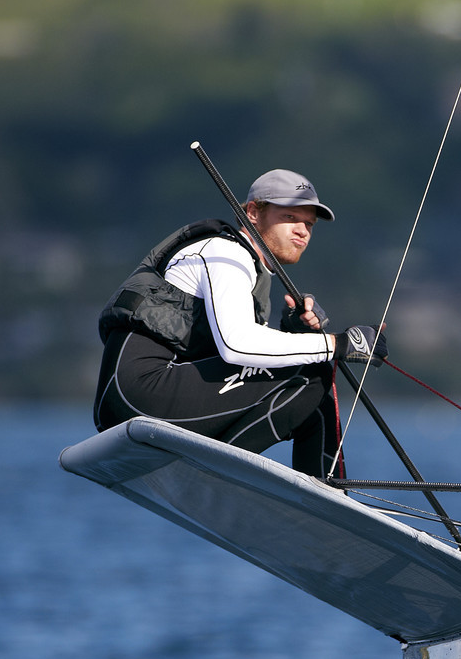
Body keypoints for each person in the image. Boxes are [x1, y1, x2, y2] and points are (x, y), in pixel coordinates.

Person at [92, 168, 385, 478]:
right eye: (290, 218)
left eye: (309, 224)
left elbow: (232, 355)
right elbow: (236, 345)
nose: (303, 231)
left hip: (143, 399)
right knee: (312, 373)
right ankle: (211, 476)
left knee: (314, 397)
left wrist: (293, 330)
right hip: (137, 398)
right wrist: (338, 344)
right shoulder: (225, 253)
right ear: (253, 212)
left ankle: (330, 501)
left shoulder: (249, 267)